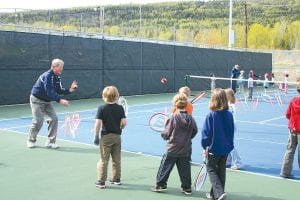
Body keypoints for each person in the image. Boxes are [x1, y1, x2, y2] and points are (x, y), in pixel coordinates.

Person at [152, 93, 198, 195]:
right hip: (185, 148)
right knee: (185, 169)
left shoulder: (173, 117)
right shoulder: (191, 118)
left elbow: (166, 134)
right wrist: (187, 138)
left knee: (165, 167)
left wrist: (164, 132)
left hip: (172, 148)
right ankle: (187, 188)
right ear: (186, 104)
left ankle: (160, 185)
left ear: (175, 104)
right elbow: (195, 130)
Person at [27, 58, 78, 149]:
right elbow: (49, 91)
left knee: (54, 119)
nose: (62, 69)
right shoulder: (47, 76)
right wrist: (60, 100)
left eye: (62, 67)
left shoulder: (57, 78)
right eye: (60, 67)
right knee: (38, 121)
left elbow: (59, 90)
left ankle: (51, 142)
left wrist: (70, 90)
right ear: (53, 67)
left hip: (47, 101)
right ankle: (31, 140)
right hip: (37, 100)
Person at [201, 88, 234, 200]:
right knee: (221, 170)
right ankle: (214, 194)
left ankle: (219, 193)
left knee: (211, 169)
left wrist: (205, 147)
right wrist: (230, 146)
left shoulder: (211, 115)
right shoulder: (229, 114)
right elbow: (231, 131)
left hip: (214, 149)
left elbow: (206, 134)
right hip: (225, 149)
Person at [94, 86, 127, 189]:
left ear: (104, 96)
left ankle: (101, 182)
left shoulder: (101, 108)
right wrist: (120, 127)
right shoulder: (120, 108)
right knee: (116, 159)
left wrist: (96, 136)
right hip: (117, 137)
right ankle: (116, 179)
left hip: (106, 137)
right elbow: (124, 122)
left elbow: (98, 124)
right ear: (116, 96)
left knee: (104, 160)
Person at [280, 81, 300, 179]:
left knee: (290, 150)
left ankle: (285, 172)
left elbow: (288, 114)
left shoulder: (293, 101)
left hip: (292, 129)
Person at [225, 88, 244, 170]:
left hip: (229, 126)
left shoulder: (229, 106)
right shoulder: (229, 105)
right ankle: (228, 161)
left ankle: (238, 163)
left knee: (230, 145)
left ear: (228, 96)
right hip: (230, 125)